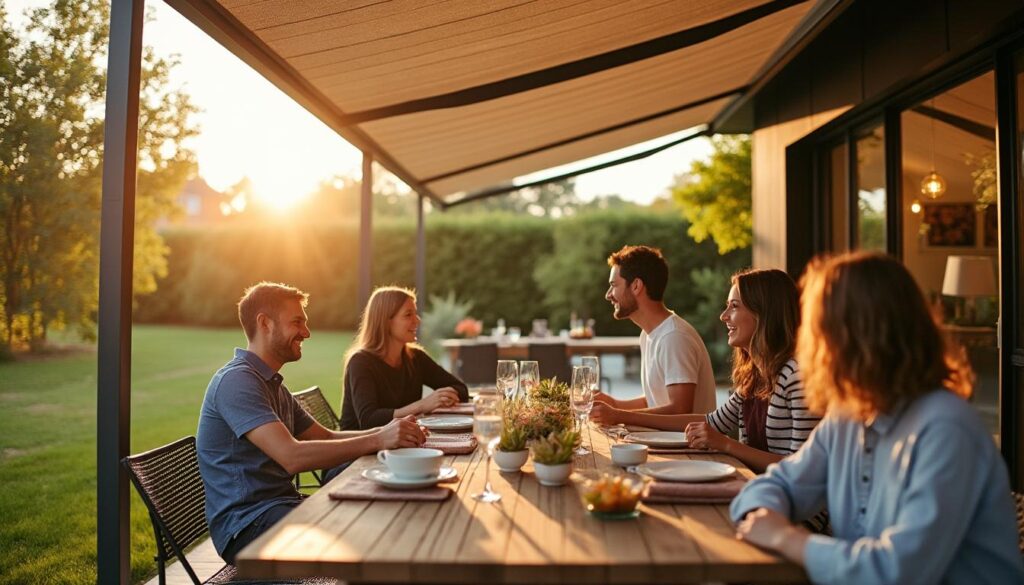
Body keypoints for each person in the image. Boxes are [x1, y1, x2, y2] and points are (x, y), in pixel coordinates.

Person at [731, 252, 1024, 584]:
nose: (809, 344)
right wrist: (766, 514)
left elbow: (897, 572)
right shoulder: (846, 417)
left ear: (857, 337)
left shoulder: (946, 429)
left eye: (818, 329)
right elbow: (779, 484)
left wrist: (784, 537)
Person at [197, 282, 426, 564]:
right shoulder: (237, 382)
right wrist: (380, 440)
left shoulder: (272, 385)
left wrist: (391, 432)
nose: (306, 332)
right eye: (297, 322)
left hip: (280, 509)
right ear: (265, 323)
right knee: (375, 534)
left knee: (382, 516)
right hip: (248, 527)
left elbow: (326, 437)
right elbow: (291, 456)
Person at [600, 268, 821, 473]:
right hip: (760, 490)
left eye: (734, 306)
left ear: (764, 314)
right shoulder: (754, 376)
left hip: (794, 510)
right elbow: (709, 422)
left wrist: (726, 444)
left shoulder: (797, 377)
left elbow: (803, 470)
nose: (724, 316)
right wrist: (620, 414)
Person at [589, 245, 716, 427]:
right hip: (667, 444)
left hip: (689, 451)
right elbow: (655, 401)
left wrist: (619, 416)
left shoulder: (674, 337)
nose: (608, 295)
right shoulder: (649, 334)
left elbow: (680, 409)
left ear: (636, 286)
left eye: (613, 286)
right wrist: (614, 404)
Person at [341, 286, 469, 430]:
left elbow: (461, 389)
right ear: (386, 321)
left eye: (415, 313)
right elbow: (369, 420)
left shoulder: (415, 357)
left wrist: (444, 397)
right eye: (408, 315)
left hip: (400, 442)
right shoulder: (361, 362)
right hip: (361, 448)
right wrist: (422, 405)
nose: (417, 320)